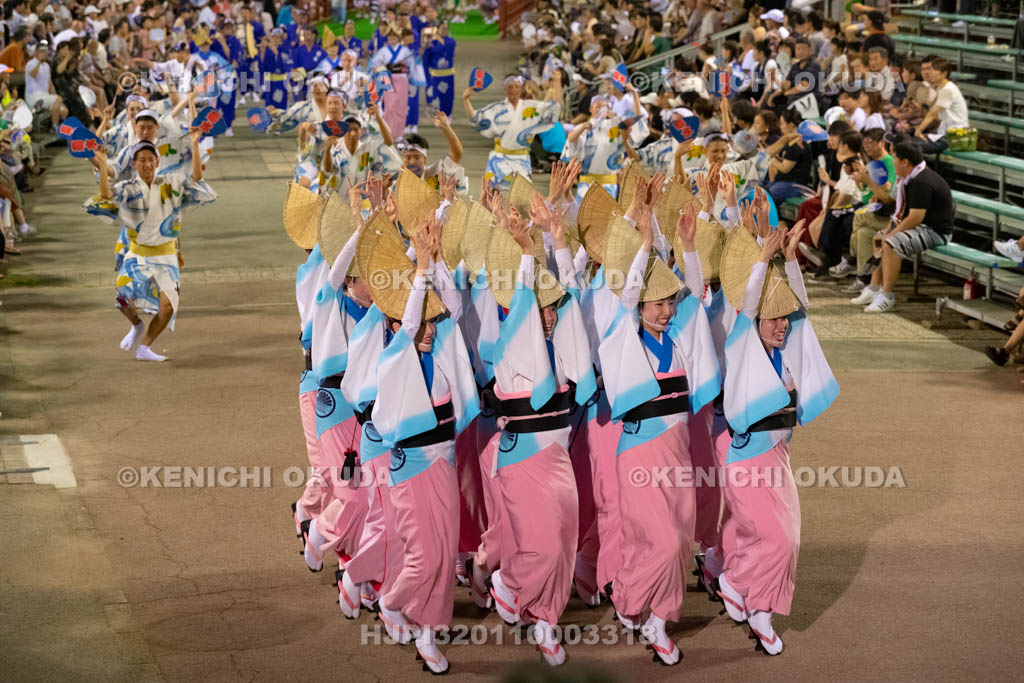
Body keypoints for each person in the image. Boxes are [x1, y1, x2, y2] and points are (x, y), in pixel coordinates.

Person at [597, 181, 720, 665]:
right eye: (658, 305)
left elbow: (692, 299)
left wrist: (688, 247)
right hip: (640, 453)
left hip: (680, 455)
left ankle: (629, 599)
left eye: (669, 304)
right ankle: (656, 622)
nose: (667, 312)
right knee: (665, 542)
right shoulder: (626, 335)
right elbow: (626, 296)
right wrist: (644, 243)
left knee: (673, 538)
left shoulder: (682, 336)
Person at [717, 221, 838, 656]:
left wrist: (790, 258)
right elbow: (748, 307)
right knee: (777, 539)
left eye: (782, 319)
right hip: (746, 459)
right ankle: (749, 599)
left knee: (789, 538)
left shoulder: (787, 352)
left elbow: (801, 311)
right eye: (773, 319)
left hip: (779, 457)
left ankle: (747, 593)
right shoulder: (741, 343)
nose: (782, 326)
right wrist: (762, 261)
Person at [367, 217, 480, 675]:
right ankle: (392, 603)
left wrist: (434, 265)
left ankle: (428, 631)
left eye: (430, 324)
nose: (428, 330)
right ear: (396, 327)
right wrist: (419, 274)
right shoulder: (394, 357)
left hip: (444, 465)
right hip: (410, 469)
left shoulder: (440, 352)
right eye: (419, 325)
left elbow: (452, 309)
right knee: (425, 555)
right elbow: (412, 319)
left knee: (444, 551)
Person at [89, 133, 217, 361]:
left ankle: (145, 347)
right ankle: (137, 325)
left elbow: (197, 178)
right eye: (142, 160)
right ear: (134, 163)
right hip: (137, 254)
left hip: (166, 255)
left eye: (151, 159)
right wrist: (99, 161)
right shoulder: (128, 188)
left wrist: (195, 145)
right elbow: (107, 196)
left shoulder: (172, 183)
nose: (147, 164)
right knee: (121, 299)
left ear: (157, 162)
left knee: (168, 308)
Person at [851, 142, 954, 313]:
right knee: (879, 237)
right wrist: (886, 232)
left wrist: (890, 234)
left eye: (895, 159)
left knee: (891, 243)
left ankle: (887, 295)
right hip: (922, 227)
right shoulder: (911, 178)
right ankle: (874, 287)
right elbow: (904, 215)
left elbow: (915, 218)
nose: (893, 162)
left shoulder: (922, 181)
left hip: (936, 232)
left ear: (905, 162)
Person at [463, 74, 560, 190]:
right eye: (510, 87)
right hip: (499, 158)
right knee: (492, 195)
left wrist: (558, 82)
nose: (514, 90)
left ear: (521, 89)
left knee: (522, 197)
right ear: (505, 89)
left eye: (517, 87)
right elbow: (475, 119)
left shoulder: (530, 108)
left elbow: (553, 109)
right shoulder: (497, 109)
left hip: (522, 158)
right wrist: (466, 99)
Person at [913, 58, 967, 155]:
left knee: (914, 146)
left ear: (944, 73)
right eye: (931, 70)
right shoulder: (942, 88)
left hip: (956, 135)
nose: (930, 73)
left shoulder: (948, 90)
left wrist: (920, 129)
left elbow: (932, 114)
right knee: (910, 142)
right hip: (945, 133)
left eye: (934, 71)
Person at [765, 110, 812, 206]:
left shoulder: (797, 144)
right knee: (761, 192)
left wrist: (773, 160)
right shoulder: (788, 141)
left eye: (782, 123)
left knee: (768, 195)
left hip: (795, 185)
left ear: (790, 125)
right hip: (782, 181)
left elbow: (785, 168)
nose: (780, 126)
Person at [423, 23, 456, 118]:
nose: (444, 30)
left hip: (448, 74)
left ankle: (448, 115)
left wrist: (439, 40)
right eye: (442, 28)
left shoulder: (451, 41)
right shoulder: (431, 42)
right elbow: (426, 58)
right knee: (435, 95)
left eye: (446, 28)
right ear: (437, 29)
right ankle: (436, 114)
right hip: (435, 74)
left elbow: (449, 52)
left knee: (448, 96)